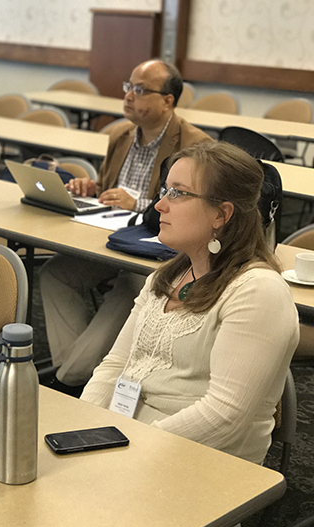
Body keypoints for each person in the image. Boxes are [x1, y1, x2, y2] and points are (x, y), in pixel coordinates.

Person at [81, 141, 299, 465]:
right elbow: (116, 365)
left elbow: (224, 416)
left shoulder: (258, 292)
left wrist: (129, 449)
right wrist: (83, 426)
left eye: (177, 193)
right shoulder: (166, 276)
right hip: (127, 442)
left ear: (221, 214)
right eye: (164, 190)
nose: (159, 205)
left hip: (199, 464)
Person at [40, 59, 211, 395]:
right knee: (55, 274)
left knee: (133, 286)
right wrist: (92, 189)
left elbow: (195, 208)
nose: (129, 96)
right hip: (112, 237)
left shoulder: (195, 147)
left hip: (161, 250)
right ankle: (76, 374)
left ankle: (69, 379)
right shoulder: (119, 134)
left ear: (168, 101)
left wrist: (138, 204)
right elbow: (109, 189)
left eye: (140, 90)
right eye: (128, 87)